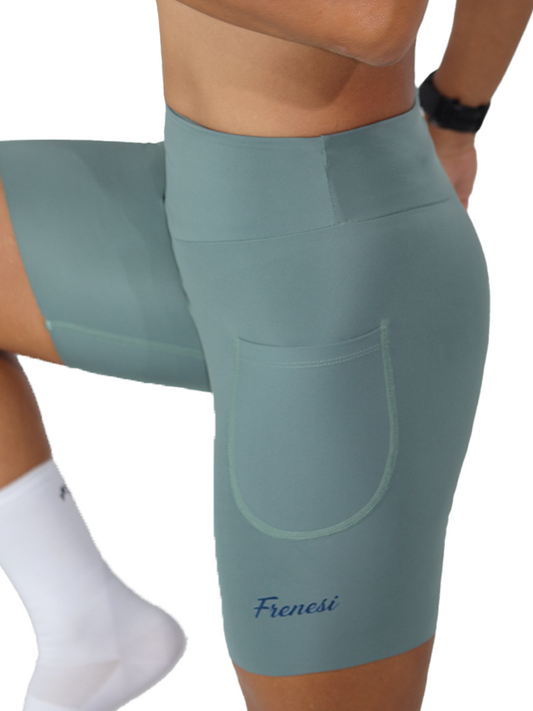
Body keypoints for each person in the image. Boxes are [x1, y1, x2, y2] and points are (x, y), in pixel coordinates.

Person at [0, 1, 531, 710]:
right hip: (202, 201)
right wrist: (456, 113)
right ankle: (88, 624)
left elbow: (372, 18)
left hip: (335, 285)